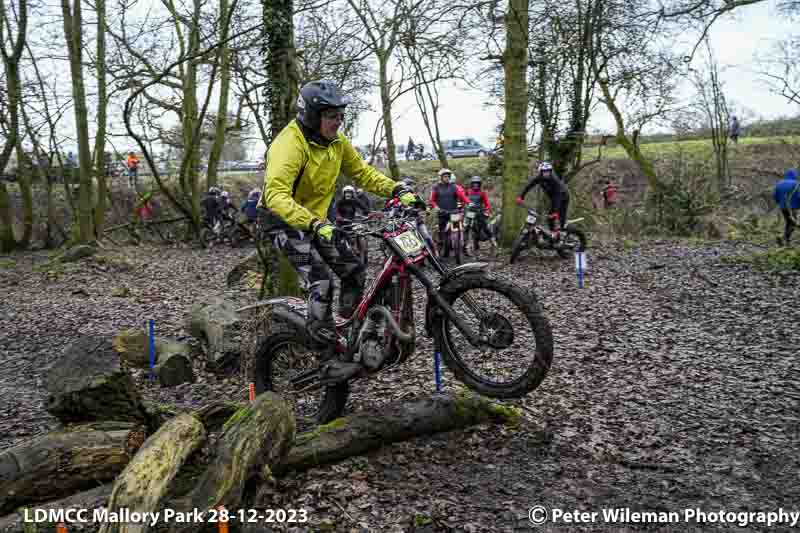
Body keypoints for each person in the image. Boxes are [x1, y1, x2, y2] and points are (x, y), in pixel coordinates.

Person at [257, 79, 417, 366]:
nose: (339, 122)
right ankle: (325, 353)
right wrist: (314, 223)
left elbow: (363, 173)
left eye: (341, 116)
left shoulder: (336, 142)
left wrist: (396, 189)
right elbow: (276, 195)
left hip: (317, 220)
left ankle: (347, 335)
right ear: (312, 116)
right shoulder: (289, 144)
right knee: (320, 282)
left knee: (354, 270)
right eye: (332, 116)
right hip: (281, 218)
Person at [516, 161, 570, 237]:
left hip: (563, 198)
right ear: (541, 172)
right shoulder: (539, 178)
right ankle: (553, 235)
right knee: (550, 218)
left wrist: (556, 211)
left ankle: (563, 233)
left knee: (559, 216)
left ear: (550, 172)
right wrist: (521, 197)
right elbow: (529, 186)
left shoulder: (555, 181)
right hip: (553, 198)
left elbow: (558, 197)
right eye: (544, 172)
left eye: (548, 171)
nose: (546, 174)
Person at [430, 167, 471, 251]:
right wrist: (435, 207)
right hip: (442, 212)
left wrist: (468, 202)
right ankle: (439, 245)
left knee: (461, 228)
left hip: (454, 212)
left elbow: (462, 196)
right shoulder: (436, 187)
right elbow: (432, 200)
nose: (447, 178)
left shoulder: (454, 187)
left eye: (448, 176)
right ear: (441, 177)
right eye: (445, 176)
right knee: (440, 230)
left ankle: (465, 247)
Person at [465, 176, 492, 253]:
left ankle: (492, 240)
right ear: (472, 184)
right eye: (474, 183)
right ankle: (465, 244)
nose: (475, 185)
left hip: (479, 212)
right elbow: (463, 199)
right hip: (470, 212)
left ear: (479, 184)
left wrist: (487, 211)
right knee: (466, 227)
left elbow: (487, 203)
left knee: (484, 227)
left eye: (477, 184)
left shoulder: (482, 193)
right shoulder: (468, 191)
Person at [773, 168, 800, 246]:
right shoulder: (796, 183)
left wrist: (780, 203)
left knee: (788, 222)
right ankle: (783, 238)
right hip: (793, 207)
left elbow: (775, 196)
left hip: (783, 207)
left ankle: (787, 241)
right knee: (793, 224)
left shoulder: (779, 184)